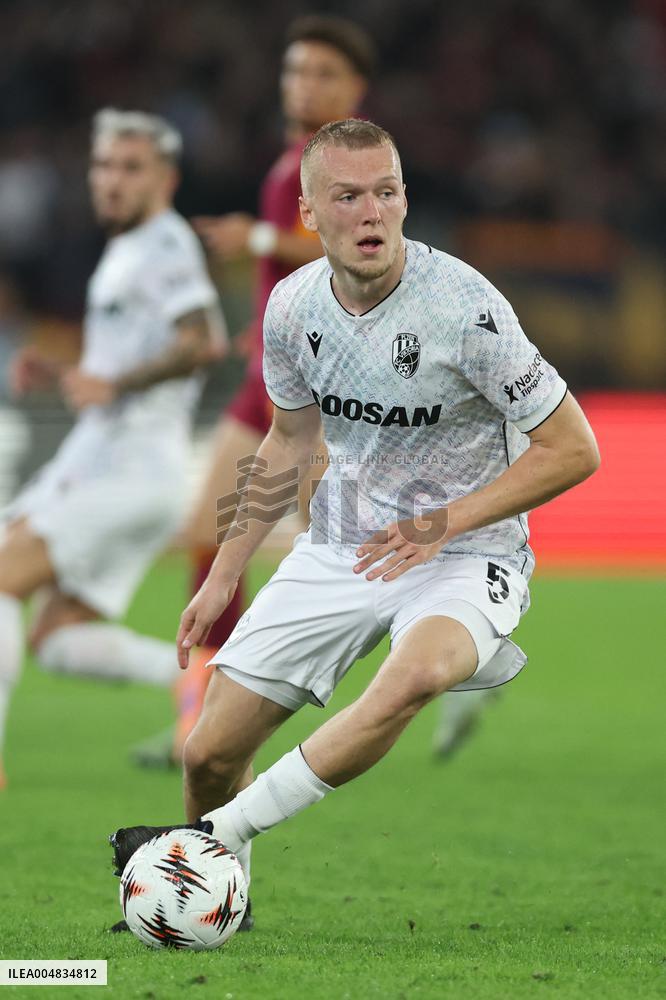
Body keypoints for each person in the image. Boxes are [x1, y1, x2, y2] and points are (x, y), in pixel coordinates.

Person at [109, 120, 600, 917]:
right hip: (344, 543)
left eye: (386, 192)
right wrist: (225, 573)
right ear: (309, 214)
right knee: (207, 752)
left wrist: (443, 522)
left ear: (405, 201)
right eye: (347, 196)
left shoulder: (467, 311)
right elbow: (287, 442)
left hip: (464, 550)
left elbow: (573, 449)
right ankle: (212, 891)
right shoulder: (291, 308)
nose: (371, 212)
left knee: (419, 673)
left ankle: (213, 840)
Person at [131, 15, 377, 769]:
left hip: (324, 387)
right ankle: (201, 715)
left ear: (355, 88)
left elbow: (359, 246)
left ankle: (434, 663)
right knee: (208, 533)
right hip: (265, 375)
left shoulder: (355, 163)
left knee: (338, 561)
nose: (303, 84)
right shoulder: (291, 162)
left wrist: (260, 239)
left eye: (322, 73)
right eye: (295, 71)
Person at [0, 108, 227, 790]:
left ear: (166, 178)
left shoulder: (165, 245)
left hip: (125, 467)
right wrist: (66, 371)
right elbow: (121, 362)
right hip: (117, 465)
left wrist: (114, 382)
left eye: (131, 168)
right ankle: (194, 677)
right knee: (58, 640)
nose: (112, 181)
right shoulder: (131, 249)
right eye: (104, 166)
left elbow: (203, 341)